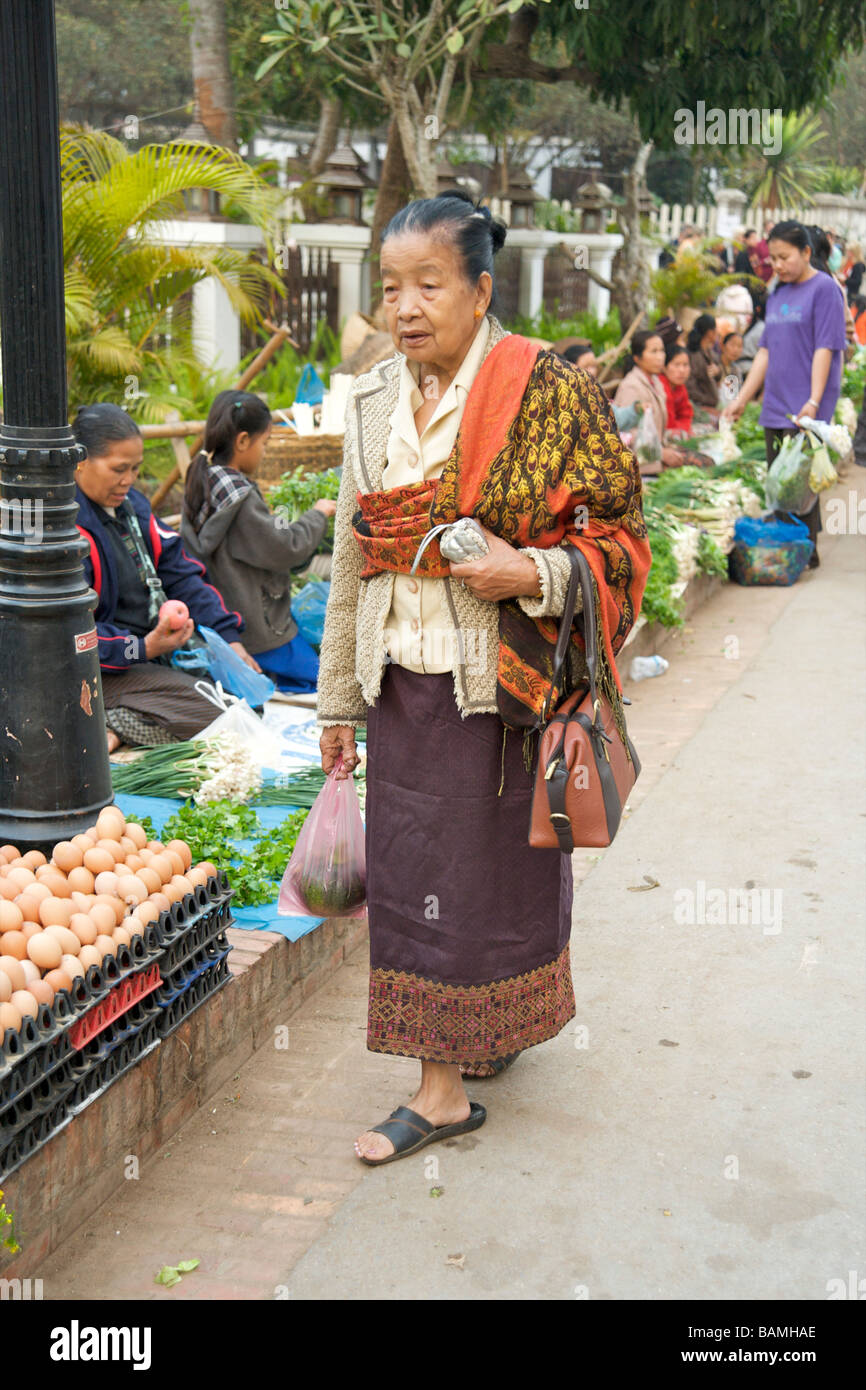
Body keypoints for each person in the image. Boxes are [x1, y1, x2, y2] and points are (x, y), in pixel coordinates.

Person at [315, 190, 651, 1162]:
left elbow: (622, 539)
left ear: (479, 288)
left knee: (485, 876)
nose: (406, 306)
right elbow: (349, 557)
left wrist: (533, 573)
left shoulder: (542, 387)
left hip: (496, 688)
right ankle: (448, 1072)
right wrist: (337, 700)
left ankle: (442, 1088)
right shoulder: (374, 396)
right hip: (397, 686)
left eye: (428, 283)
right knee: (421, 879)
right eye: (390, 288)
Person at [73, 403, 259, 750]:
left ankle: (114, 725)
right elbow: (69, 633)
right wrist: (141, 647)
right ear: (79, 460)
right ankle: (106, 722)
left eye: (134, 469)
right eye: (118, 469)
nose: (128, 480)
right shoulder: (65, 529)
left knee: (247, 706)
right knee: (222, 719)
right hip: (97, 667)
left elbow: (182, 576)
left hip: (148, 658)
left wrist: (228, 638)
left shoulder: (133, 509)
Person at [180, 390, 336, 693]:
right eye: (264, 443)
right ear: (242, 441)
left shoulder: (202, 482)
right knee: (327, 684)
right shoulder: (241, 499)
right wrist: (317, 514)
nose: (264, 452)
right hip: (258, 630)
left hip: (223, 622)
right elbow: (285, 547)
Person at [723, 220, 848, 568]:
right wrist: (742, 398)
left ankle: (803, 549)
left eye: (784, 257)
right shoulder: (778, 290)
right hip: (777, 398)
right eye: (772, 258)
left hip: (807, 399)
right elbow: (765, 351)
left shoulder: (824, 288)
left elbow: (826, 347)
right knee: (780, 475)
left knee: (800, 479)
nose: (776, 265)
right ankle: (791, 546)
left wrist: (814, 399)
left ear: (806, 252)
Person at [612, 330, 683, 474]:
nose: (660, 357)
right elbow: (627, 433)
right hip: (640, 469)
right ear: (637, 358)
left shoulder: (655, 381)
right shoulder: (631, 386)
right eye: (654, 351)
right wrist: (661, 453)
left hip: (655, 462)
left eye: (662, 351)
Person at [685, 313, 721, 416]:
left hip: (711, 406)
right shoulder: (693, 355)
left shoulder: (710, 352)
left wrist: (717, 371)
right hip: (700, 409)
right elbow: (690, 388)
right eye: (715, 330)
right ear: (710, 332)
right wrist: (707, 401)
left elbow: (718, 375)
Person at [660, 344, 694, 437]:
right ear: (664, 367)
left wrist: (683, 428)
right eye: (676, 365)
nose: (682, 370)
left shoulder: (680, 387)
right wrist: (683, 429)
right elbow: (669, 424)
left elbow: (686, 415)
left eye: (685, 365)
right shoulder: (661, 386)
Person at [718, 331, 745, 401]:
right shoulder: (715, 364)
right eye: (732, 345)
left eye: (739, 346)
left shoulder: (736, 369)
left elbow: (737, 394)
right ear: (722, 346)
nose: (736, 350)